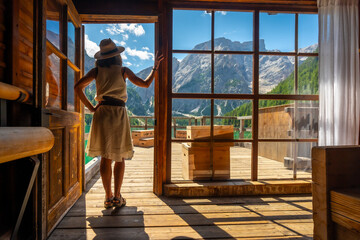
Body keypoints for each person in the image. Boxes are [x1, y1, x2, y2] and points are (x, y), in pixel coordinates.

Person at [75, 38, 163, 208]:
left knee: (105, 157)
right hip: (118, 113)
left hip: (102, 113)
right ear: (117, 56)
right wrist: (155, 68)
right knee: (119, 156)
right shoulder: (123, 71)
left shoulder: (96, 71)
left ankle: (107, 197)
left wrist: (92, 108)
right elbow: (145, 84)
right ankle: (117, 196)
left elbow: (78, 87)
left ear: (101, 57)